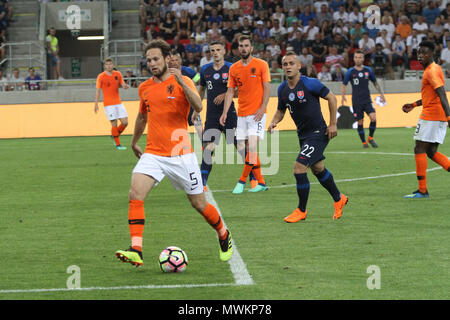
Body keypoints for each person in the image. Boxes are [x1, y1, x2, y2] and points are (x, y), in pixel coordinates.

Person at [115, 39, 233, 267]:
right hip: (153, 154)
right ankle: (136, 249)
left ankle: (223, 234)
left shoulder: (183, 80)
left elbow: (198, 106)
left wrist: (180, 81)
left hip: (181, 155)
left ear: (167, 59)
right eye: (149, 60)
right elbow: (142, 116)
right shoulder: (145, 88)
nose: (152, 63)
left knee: (199, 204)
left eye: (156, 59)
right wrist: (134, 141)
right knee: (135, 193)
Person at [268, 52, 348, 222]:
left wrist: (333, 123)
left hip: (318, 133)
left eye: (291, 63)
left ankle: (301, 210)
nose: (288, 66)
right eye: (285, 64)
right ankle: (339, 198)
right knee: (318, 169)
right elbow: (281, 110)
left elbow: (332, 98)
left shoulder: (310, 83)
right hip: (303, 135)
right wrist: (274, 121)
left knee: (299, 167)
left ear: (299, 66)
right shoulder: (282, 88)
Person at [196, 41, 257, 191]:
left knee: (240, 145)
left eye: (218, 50)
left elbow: (242, 89)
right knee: (208, 147)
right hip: (211, 115)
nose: (215, 52)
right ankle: (202, 182)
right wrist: (196, 109)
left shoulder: (232, 68)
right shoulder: (205, 70)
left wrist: (225, 95)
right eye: (212, 50)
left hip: (229, 114)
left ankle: (254, 179)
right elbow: (201, 90)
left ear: (224, 51)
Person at [220, 35, 271, 194]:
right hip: (241, 113)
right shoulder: (234, 68)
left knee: (252, 147)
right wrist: (225, 112)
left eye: (246, 45)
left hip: (257, 113)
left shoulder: (262, 65)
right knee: (242, 147)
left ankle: (242, 181)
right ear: (238, 48)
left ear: (251, 48)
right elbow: (230, 91)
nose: (243, 48)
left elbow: (267, 87)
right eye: (241, 45)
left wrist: (263, 107)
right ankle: (261, 182)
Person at [401, 41, 450, 198]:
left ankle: (422, 190)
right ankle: (422, 190)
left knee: (419, 148)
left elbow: (442, 94)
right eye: (418, 53)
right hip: (436, 115)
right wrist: (414, 104)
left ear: (432, 54)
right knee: (431, 151)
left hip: (432, 116)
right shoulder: (434, 69)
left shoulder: (431, 71)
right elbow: (432, 96)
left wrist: (449, 116)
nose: (420, 55)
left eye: (424, 52)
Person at [341, 50, 386, 148]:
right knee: (360, 122)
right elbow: (344, 84)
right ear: (354, 59)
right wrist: (343, 96)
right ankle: (364, 142)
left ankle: (370, 138)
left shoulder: (368, 70)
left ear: (363, 58)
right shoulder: (350, 71)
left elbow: (375, 83)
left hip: (367, 100)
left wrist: (381, 94)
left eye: (360, 57)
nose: (358, 59)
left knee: (373, 118)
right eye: (356, 57)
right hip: (356, 101)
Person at [94, 58, 130, 150]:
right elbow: (98, 90)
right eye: (107, 64)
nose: (109, 66)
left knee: (125, 122)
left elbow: (122, 84)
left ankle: (114, 135)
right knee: (114, 123)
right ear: (104, 66)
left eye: (110, 64)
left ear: (113, 65)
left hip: (118, 102)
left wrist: (125, 86)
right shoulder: (101, 76)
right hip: (108, 104)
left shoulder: (118, 74)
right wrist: (96, 103)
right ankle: (118, 145)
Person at [169, 51, 203, 142]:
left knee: (199, 127)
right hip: (176, 105)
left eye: (176, 60)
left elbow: (199, 81)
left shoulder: (188, 71)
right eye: (172, 60)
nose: (174, 62)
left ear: (180, 60)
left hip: (190, 104)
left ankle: (205, 146)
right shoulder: (167, 74)